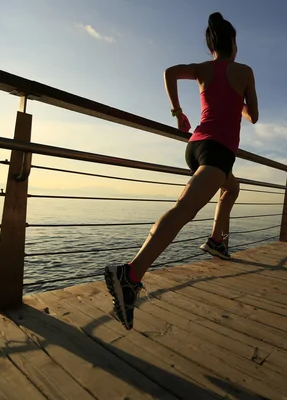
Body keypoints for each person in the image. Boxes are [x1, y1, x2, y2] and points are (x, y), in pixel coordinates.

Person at [105, 12, 259, 330]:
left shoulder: (202, 69)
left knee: (232, 187)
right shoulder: (244, 71)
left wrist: (178, 112)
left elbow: (170, 72)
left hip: (196, 146)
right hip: (219, 150)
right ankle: (130, 274)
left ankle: (218, 241)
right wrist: (239, 102)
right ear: (233, 43)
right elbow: (253, 116)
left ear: (211, 45)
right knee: (184, 209)